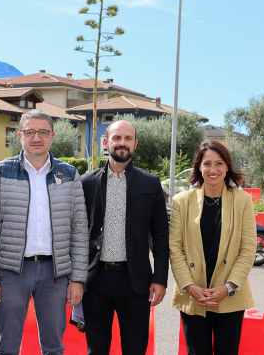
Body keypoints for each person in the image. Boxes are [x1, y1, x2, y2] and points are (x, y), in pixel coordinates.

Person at [0, 110, 88, 355]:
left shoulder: (68, 174)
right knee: (7, 346)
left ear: (52, 136)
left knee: (53, 347)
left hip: (55, 274)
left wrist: (78, 279)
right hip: (12, 273)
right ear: (20, 135)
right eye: (30, 132)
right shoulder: (1, 171)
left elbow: (79, 229)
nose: (36, 138)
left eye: (42, 132)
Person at [80, 120, 169, 354]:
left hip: (136, 283)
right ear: (105, 142)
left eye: (127, 139)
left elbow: (161, 236)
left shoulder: (150, 184)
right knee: (96, 349)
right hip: (96, 281)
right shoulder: (86, 183)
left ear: (135, 144)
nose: (122, 143)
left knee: (135, 348)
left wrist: (160, 279)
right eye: (117, 138)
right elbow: (77, 233)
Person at [169, 141, 256, 355]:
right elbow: (175, 247)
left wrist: (228, 287)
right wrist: (189, 286)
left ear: (227, 167)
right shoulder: (182, 201)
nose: (213, 169)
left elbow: (248, 248)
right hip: (193, 295)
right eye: (207, 163)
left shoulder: (243, 200)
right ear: (199, 167)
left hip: (230, 296)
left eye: (219, 163)